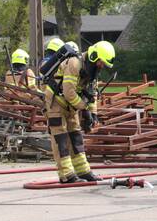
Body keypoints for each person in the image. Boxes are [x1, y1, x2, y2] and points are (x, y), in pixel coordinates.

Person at [44, 40, 116, 183]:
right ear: (94, 56)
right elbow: (69, 91)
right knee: (61, 138)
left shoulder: (92, 70)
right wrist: (84, 109)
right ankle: (67, 175)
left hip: (71, 106)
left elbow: (92, 93)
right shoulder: (74, 63)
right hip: (56, 103)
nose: (102, 66)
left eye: (104, 64)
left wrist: (93, 113)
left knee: (76, 136)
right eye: (101, 62)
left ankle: (83, 171)